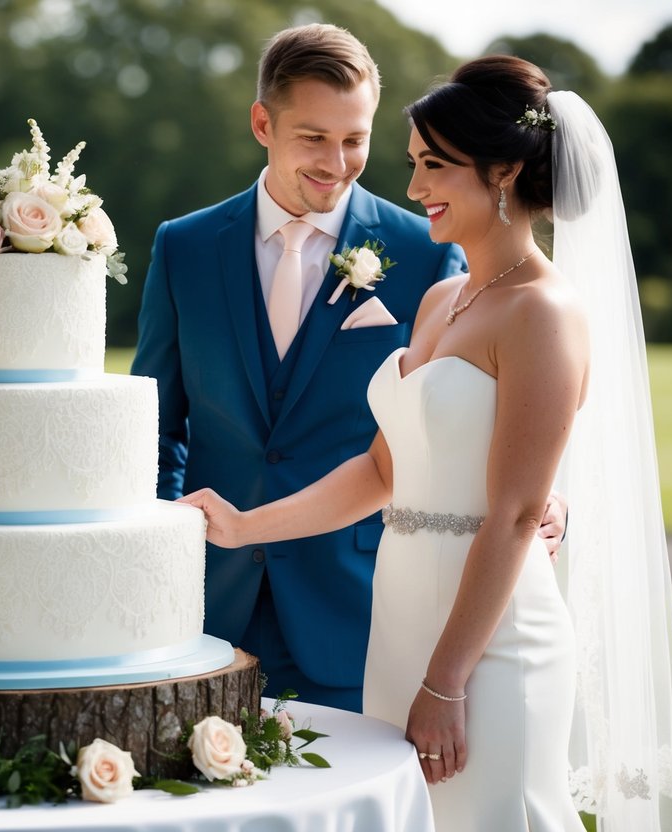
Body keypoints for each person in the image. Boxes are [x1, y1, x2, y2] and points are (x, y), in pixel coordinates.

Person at [180, 55, 672, 831]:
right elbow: (384, 468)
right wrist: (248, 526)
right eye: (414, 163)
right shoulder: (440, 297)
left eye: (434, 166)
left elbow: (518, 515)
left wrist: (447, 682)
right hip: (399, 626)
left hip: (490, 649)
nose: (413, 188)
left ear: (504, 173)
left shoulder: (542, 314)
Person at [129, 22, 564, 712]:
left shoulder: (425, 251)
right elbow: (153, 429)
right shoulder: (183, 248)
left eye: (355, 139)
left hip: (358, 608)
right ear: (261, 123)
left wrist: (547, 501)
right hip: (201, 607)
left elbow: (487, 403)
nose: (336, 162)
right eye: (312, 138)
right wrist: (161, 552)